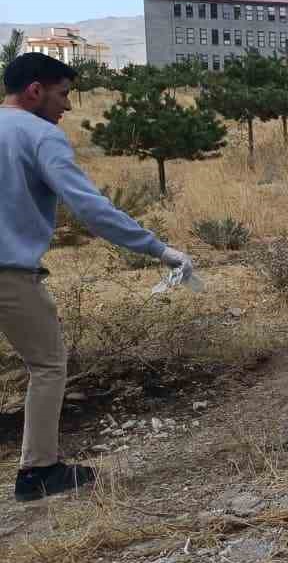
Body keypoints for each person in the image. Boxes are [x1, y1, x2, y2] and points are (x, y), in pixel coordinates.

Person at [1, 53, 194, 501]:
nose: (67, 106)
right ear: (35, 90)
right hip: (9, 273)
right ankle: (39, 472)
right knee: (48, 364)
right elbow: (90, 209)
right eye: (63, 94)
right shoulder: (40, 136)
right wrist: (158, 248)